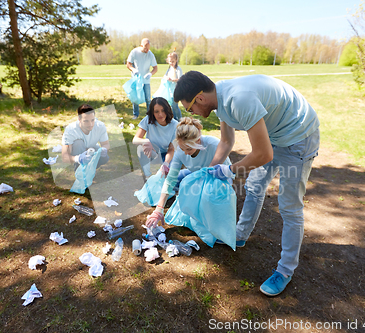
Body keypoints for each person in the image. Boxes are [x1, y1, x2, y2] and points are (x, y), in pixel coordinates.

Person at [174, 71, 320, 297]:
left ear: (200, 98)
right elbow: (226, 141)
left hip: (298, 135)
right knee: (254, 187)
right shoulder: (219, 99)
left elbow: (262, 154)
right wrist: (210, 169)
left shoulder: (238, 99)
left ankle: (285, 270)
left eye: (189, 107)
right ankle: (240, 235)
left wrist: (230, 169)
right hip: (274, 136)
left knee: (290, 206)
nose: (190, 113)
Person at [145, 117, 231, 227]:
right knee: (173, 179)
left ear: (198, 140)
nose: (185, 153)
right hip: (195, 174)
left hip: (217, 179)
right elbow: (170, 179)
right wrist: (159, 209)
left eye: (189, 149)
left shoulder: (214, 145)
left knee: (199, 199)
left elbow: (228, 174)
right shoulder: (181, 151)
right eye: (182, 148)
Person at [132, 97, 178, 178]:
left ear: (167, 110)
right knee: (140, 148)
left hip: (165, 155)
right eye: (156, 111)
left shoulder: (175, 125)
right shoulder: (148, 120)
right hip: (151, 153)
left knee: (167, 177)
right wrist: (145, 141)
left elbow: (171, 149)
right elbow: (135, 139)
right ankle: (148, 176)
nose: (160, 114)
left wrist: (166, 163)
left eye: (163, 110)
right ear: (152, 113)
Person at [61, 104, 110, 168]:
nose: (90, 124)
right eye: (86, 121)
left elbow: (106, 144)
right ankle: (79, 168)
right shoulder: (70, 130)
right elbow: (65, 157)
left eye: (92, 120)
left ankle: (91, 169)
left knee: (105, 158)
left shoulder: (100, 126)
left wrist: (104, 149)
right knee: (78, 143)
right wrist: (78, 158)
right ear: (79, 119)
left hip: (92, 149)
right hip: (78, 152)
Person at [127, 38, 158, 119]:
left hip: (146, 80)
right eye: (145, 48)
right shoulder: (134, 52)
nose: (147, 50)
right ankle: (135, 114)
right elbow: (128, 64)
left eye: (148, 48)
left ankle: (149, 115)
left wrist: (150, 74)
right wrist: (133, 69)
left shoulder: (150, 54)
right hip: (136, 79)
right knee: (135, 98)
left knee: (148, 99)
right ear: (141, 45)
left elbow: (155, 68)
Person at [163, 52, 183, 121]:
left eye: (173, 61)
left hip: (176, 90)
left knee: (175, 106)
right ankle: (174, 119)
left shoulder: (178, 69)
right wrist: (166, 78)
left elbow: (180, 79)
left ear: (176, 60)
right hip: (170, 90)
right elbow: (165, 75)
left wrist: (172, 79)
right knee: (171, 105)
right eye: (170, 61)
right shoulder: (169, 68)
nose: (171, 63)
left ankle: (180, 119)